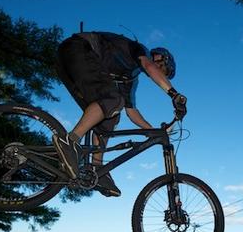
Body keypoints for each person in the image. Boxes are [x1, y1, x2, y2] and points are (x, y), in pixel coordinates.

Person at [53, 30, 186, 197]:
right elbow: (149, 66)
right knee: (113, 100)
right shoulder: (139, 50)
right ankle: (70, 141)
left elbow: (131, 112)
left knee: (111, 116)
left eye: (162, 73)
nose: (158, 71)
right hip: (79, 49)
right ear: (158, 56)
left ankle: (98, 168)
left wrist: (153, 131)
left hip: (66, 64)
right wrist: (174, 94)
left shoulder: (129, 79)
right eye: (161, 68)